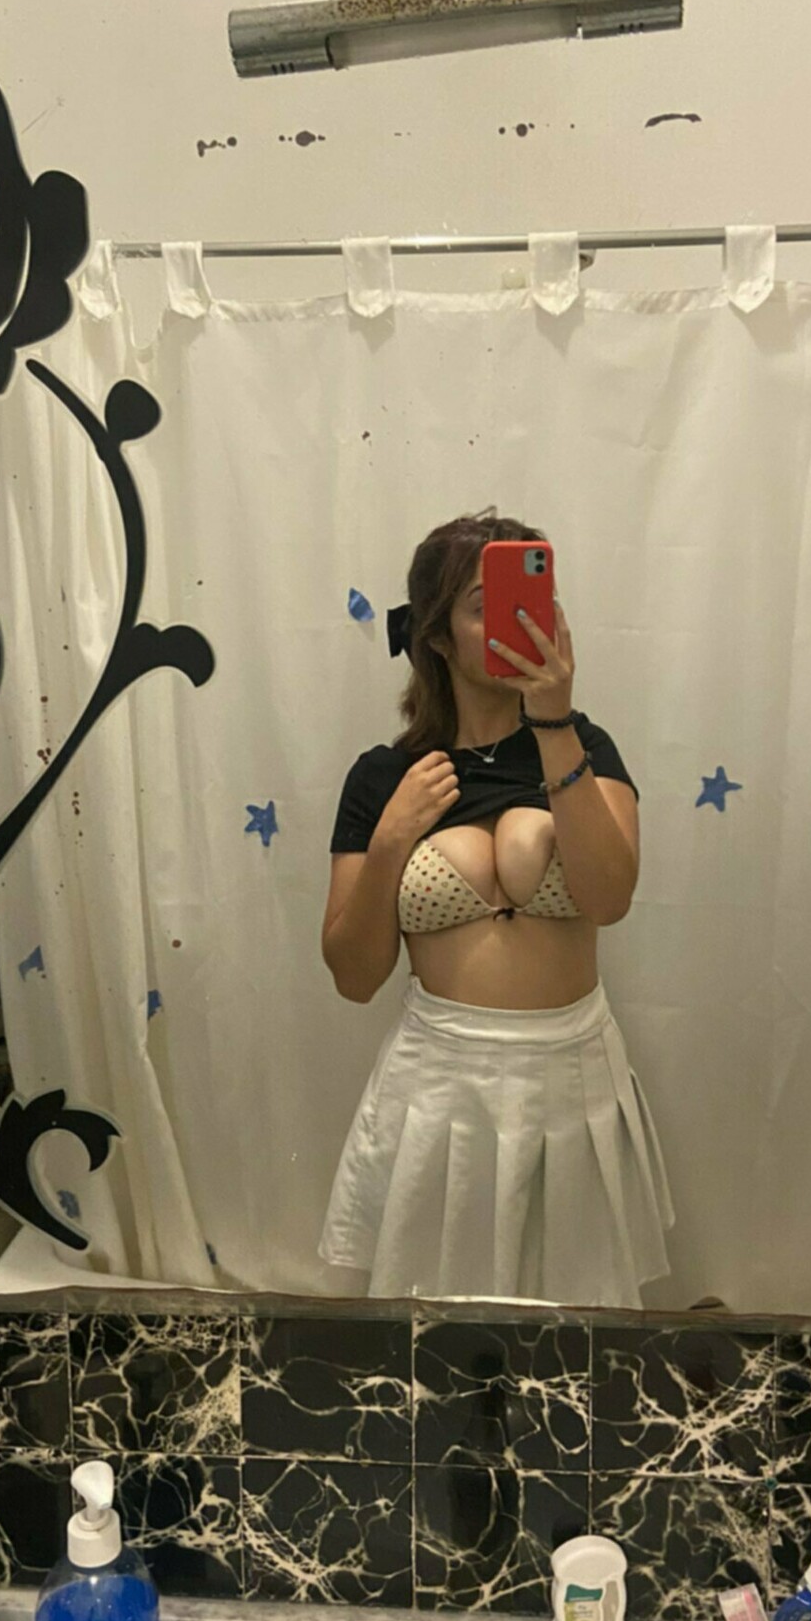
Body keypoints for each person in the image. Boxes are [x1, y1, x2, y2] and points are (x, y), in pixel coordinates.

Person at [319, 508, 673, 1304]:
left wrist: (554, 725)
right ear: (437, 637)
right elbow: (353, 976)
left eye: (532, 605)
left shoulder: (585, 748)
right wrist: (392, 839)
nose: (520, 626)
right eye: (486, 608)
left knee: (577, 1325)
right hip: (440, 1085)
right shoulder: (385, 777)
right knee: (433, 1322)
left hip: (572, 1077)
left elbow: (609, 898)